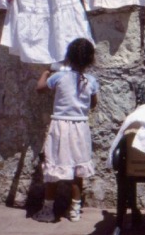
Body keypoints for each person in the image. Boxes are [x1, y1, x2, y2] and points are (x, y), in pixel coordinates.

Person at [33, 37, 98, 223]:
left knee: (53, 168)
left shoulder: (59, 77)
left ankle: (48, 210)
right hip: (80, 127)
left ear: (68, 57)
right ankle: (75, 210)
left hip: (60, 126)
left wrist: (46, 72)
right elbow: (93, 104)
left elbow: (39, 88)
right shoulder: (91, 81)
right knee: (78, 170)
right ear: (90, 60)